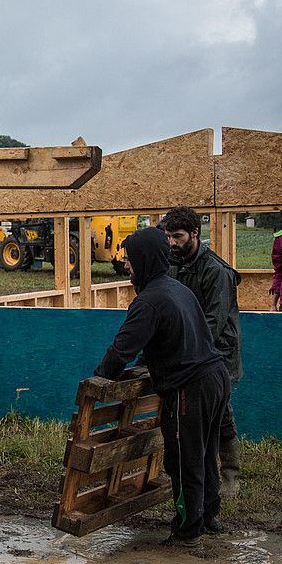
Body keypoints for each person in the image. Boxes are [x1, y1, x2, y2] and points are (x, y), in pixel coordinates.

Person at [94, 227, 229, 547]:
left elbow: (120, 351)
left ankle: (187, 530)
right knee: (205, 454)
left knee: (183, 459)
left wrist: (99, 380)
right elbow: (161, 341)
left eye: (130, 260)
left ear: (145, 260)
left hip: (190, 389)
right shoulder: (176, 289)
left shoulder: (149, 301)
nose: (127, 266)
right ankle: (209, 515)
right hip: (215, 379)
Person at [160, 206, 243, 497]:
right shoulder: (173, 262)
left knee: (221, 413)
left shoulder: (216, 271)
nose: (172, 242)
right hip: (189, 351)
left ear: (195, 233)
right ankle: (198, 475)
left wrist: (178, 348)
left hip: (218, 351)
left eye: (178, 236)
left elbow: (213, 322)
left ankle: (230, 473)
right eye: (168, 236)